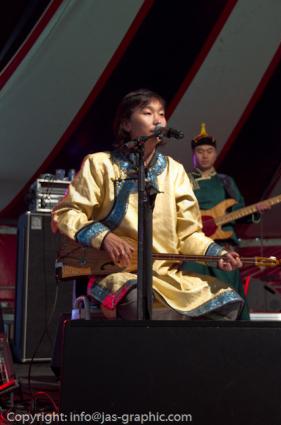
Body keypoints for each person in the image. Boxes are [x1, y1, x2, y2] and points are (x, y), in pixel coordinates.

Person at [51, 89, 245, 321]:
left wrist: (217, 253)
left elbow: (188, 234)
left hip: (167, 278)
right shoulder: (100, 164)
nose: (158, 120)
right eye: (147, 112)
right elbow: (66, 212)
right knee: (136, 301)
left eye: (161, 114)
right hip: (119, 274)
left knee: (229, 303)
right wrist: (103, 237)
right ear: (126, 124)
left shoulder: (175, 171)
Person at [182, 123, 268, 319]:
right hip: (193, 246)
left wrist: (255, 211)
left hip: (223, 245)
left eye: (209, 151)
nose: (205, 155)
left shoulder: (225, 181)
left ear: (215, 154)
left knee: (228, 291)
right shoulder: (183, 179)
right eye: (200, 151)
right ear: (194, 155)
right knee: (190, 287)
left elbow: (238, 209)